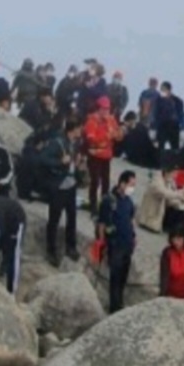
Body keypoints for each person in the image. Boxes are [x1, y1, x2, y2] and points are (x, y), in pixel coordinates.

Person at [40, 119, 82, 266]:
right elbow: (43, 158)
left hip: (71, 184)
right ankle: (51, 251)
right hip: (58, 186)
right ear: (73, 129)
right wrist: (60, 162)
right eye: (79, 128)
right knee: (54, 219)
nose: (80, 131)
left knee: (72, 217)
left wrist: (77, 164)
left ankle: (71, 246)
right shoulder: (57, 143)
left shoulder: (75, 143)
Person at [99, 170, 139, 313]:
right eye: (131, 184)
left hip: (127, 244)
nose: (132, 188)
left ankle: (120, 303)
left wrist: (134, 236)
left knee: (123, 277)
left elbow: (131, 219)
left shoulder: (128, 201)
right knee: (115, 278)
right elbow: (102, 223)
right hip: (115, 244)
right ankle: (114, 306)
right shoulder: (109, 200)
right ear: (122, 183)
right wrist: (101, 242)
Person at [83, 95, 121, 213]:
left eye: (107, 109)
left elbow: (118, 135)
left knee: (106, 182)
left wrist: (119, 134)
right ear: (98, 108)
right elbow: (91, 140)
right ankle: (93, 204)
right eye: (104, 109)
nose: (106, 111)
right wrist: (107, 136)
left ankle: (104, 204)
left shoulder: (111, 120)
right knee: (95, 181)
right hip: (95, 155)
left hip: (107, 155)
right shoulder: (91, 121)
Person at [0, 193, 27, 295]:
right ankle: (3, 268)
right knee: (0, 248)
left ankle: (12, 291)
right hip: (2, 220)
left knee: (14, 255)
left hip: (15, 220)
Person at [138, 166, 184, 234]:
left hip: (161, 211)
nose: (175, 176)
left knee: (181, 211)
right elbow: (164, 193)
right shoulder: (156, 181)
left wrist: (180, 202)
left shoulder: (169, 181)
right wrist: (179, 195)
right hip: (150, 214)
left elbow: (170, 199)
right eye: (174, 174)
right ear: (167, 172)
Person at [152, 81, 184, 153]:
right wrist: (154, 125)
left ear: (169, 90)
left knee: (175, 147)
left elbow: (181, 114)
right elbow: (155, 114)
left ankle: (175, 158)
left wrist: (182, 125)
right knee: (160, 146)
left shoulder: (177, 101)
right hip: (162, 126)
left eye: (164, 89)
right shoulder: (158, 101)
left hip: (173, 126)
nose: (162, 91)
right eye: (161, 89)